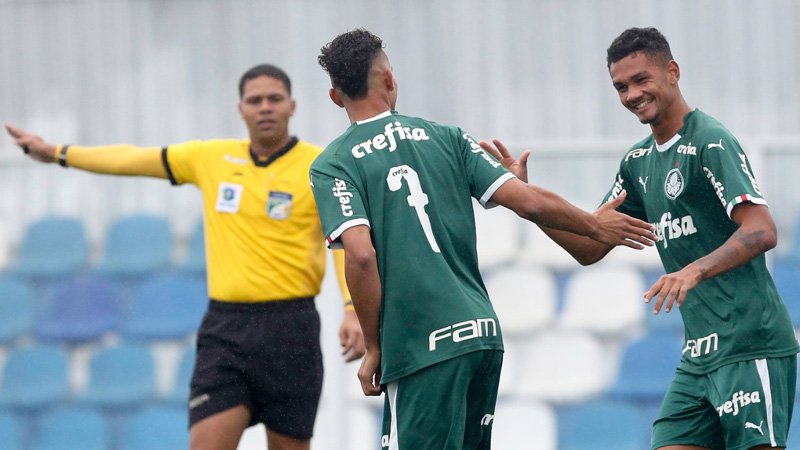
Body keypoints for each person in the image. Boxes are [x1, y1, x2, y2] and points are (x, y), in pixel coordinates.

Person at [311, 28, 657, 450]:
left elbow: (361, 257)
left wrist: (375, 347)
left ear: (335, 97)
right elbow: (527, 200)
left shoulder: (334, 164)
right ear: (389, 79)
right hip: (480, 336)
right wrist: (592, 223)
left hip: (421, 345)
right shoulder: (448, 137)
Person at [5, 63, 365, 450]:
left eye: (274, 99)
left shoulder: (319, 167)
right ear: (240, 109)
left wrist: (350, 308)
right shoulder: (210, 158)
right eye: (254, 100)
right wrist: (58, 153)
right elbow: (132, 159)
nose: (265, 107)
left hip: (290, 328)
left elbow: (341, 240)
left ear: (292, 107)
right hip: (226, 329)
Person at [485, 27, 799, 450]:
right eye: (620, 87)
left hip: (750, 345)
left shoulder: (710, 141)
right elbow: (590, 246)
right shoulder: (637, 163)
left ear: (672, 72)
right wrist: (524, 199)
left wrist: (693, 270)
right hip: (699, 359)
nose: (631, 94)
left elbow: (762, 230)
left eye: (640, 80)